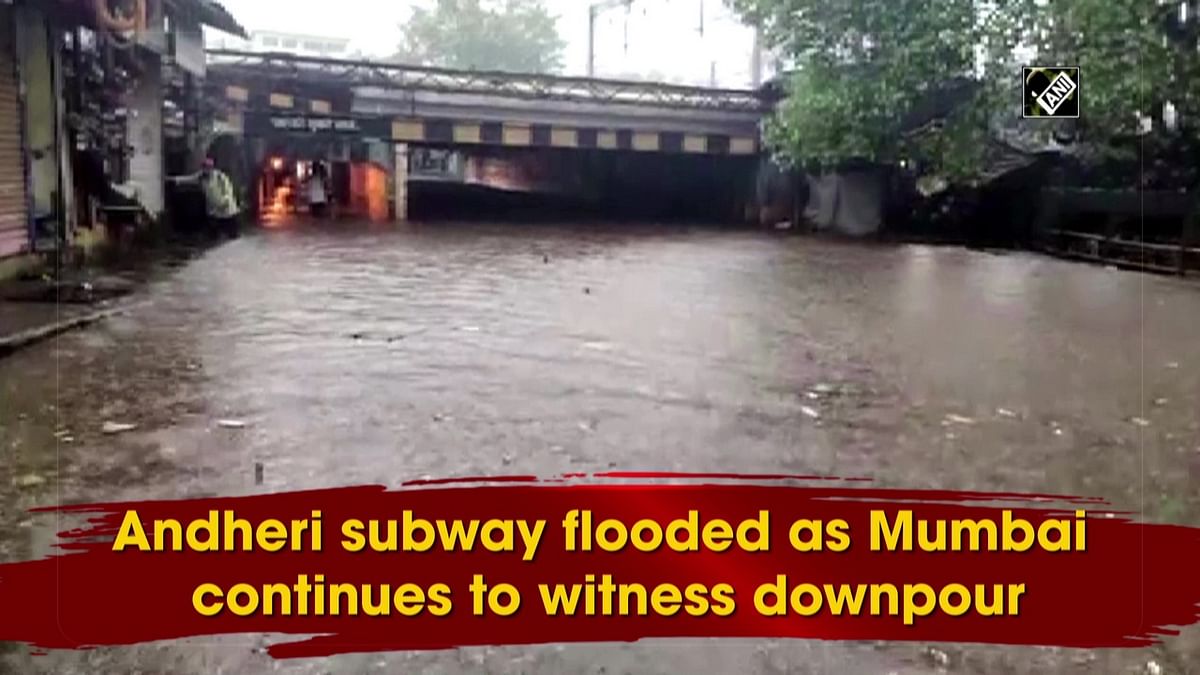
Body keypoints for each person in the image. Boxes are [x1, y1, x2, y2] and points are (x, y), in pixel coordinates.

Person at [170, 158, 241, 238]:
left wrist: (225, 201)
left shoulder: (219, 176)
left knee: (232, 233)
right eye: (204, 167)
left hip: (226, 208)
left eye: (208, 167)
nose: (206, 170)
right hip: (213, 210)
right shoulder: (201, 177)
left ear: (212, 168)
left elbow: (228, 189)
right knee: (213, 233)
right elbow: (189, 179)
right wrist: (175, 179)